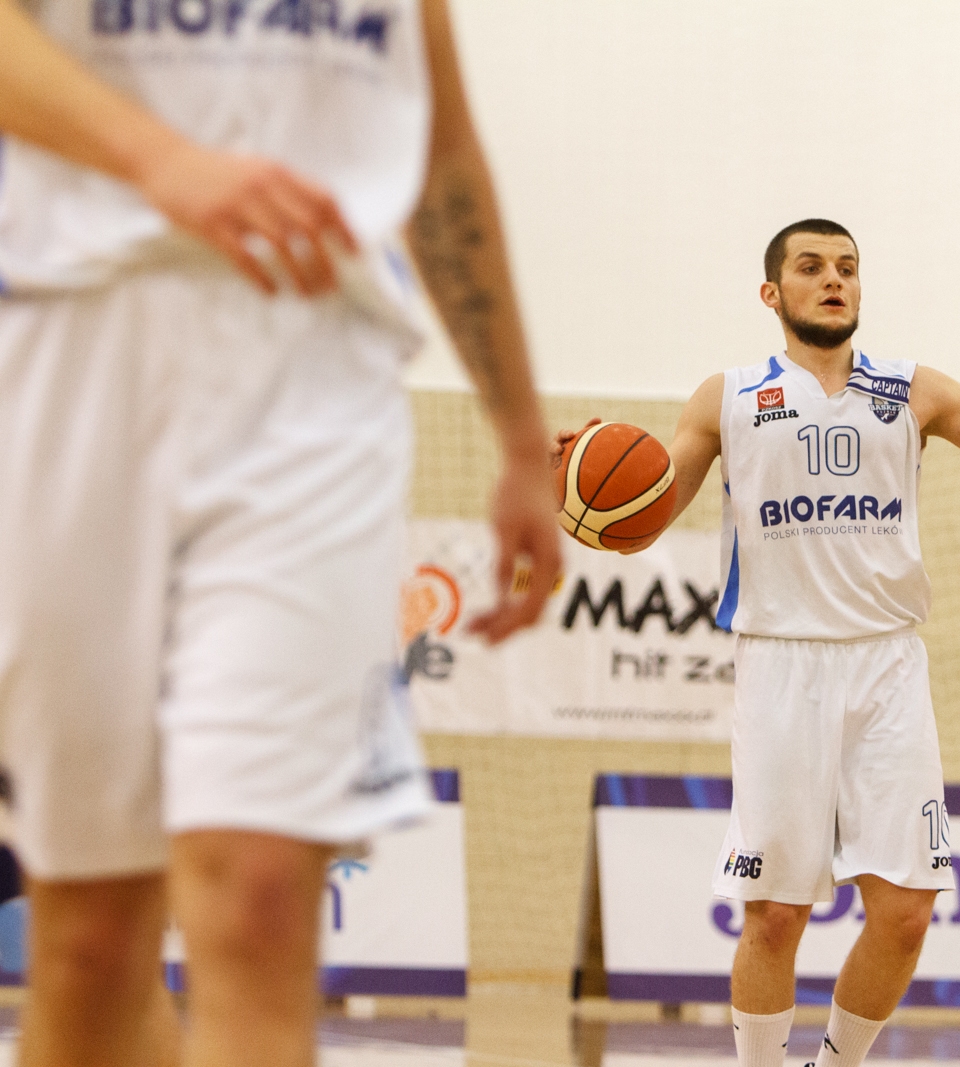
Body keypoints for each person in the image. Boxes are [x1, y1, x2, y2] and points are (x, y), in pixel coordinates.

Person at [0, 1, 562, 1064]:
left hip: (312, 374)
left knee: (258, 895)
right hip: (71, 342)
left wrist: (522, 438)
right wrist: (162, 160)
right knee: (88, 938)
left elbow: (439, 151)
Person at [560, 218, 960, 1067]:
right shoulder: (725, 397)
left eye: (847, 267)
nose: (834, 279)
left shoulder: (912, 391)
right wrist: (583, 486)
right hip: (780, 667)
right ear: (774, 294)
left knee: (908, 910)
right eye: (811, 267)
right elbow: (643, 517)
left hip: (888, 665)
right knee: (774, 913)